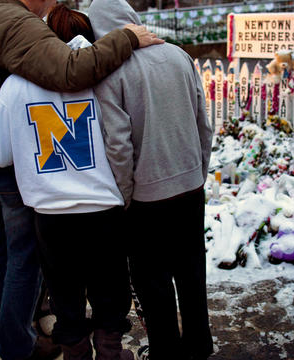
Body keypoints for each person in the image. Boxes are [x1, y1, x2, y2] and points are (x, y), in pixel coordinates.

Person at [0, 0, 162, 358]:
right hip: (102, 207)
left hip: (50, 213)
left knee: (64, 296)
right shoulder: (99, 79)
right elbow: (121, 137)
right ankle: (109, 350)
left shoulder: (14, 86)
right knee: (109, 292)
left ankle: (68, 351)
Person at [89, 0, 214, 359]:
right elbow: (202, 122)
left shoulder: (112, 73)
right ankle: (199, 344)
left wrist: (125, 195)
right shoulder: (178, 56)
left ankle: (166, 351)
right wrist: (199, 170)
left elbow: (118, 145)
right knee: (192, 270)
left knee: (152, 281)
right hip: (190, 186)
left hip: (146, 196)